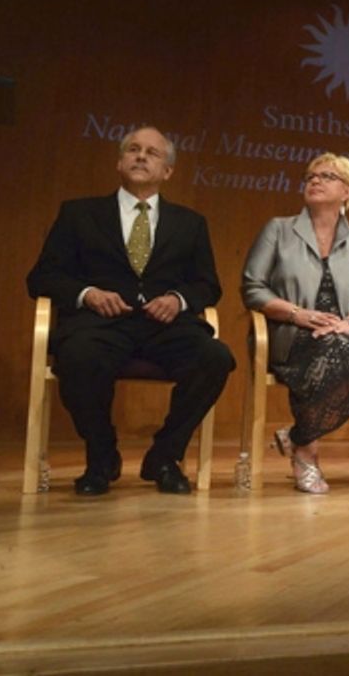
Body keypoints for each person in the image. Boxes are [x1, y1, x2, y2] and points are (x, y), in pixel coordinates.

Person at [26, 126, 235, 496]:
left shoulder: (190, 223)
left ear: (168, 171)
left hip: (165, 327)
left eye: (152, 153)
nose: (141, 156)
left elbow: (208, 285)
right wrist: (88, 293)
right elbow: (43, 276)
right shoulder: (79, 214)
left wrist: (177, 299)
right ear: (120, 162)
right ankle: (101, 456)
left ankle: (165, 456)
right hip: (100, 325)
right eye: (134, 150)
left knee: (215, 357)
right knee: (77, 355)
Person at [241, 153, 349, 494]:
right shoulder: (278, 230)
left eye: (326, 176)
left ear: (348, 192)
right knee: (333, 351)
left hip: (345, 333)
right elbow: (252, 287)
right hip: (291, 332)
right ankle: (306, 453)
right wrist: (298, 314)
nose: (315, 181)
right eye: (310, 176)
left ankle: (298, 436)